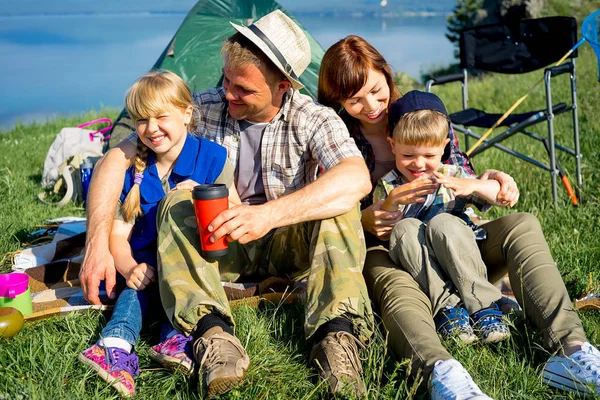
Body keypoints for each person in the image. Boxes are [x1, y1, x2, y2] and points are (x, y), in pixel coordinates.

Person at [80, 11, 374, 398]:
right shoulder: (203, 107)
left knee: (340, 202)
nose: (229, 94)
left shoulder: (312, 119)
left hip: (287, 245)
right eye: (226, 80)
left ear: (283, 86)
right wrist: (97, 244)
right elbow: (114, 159)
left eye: (244, 90)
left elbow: (357, 177)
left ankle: (336, 342)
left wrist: (269, 215)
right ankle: (213, 336)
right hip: (221, 245)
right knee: (180, 199)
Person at [319, 35, 600, 399]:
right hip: (391, 248)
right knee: (394, 280)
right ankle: (443, 374)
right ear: (337, 99)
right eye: (354, 100)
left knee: (522, 223)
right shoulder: (334, 134)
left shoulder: (422, 114)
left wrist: (489, 180)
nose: (371, 106)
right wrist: (367, 219)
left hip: (454, 239)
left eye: (377, 90)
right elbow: (329, 211)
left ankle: (571, 351)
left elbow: (460, 173)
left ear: (387, 77)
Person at [78, 70, 240, 397]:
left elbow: (234, 211)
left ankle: (173, 338)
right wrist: (127, 267)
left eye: (160, 117)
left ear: (186, 114)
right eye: (141, 120)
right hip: (146, 264)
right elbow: (118, 235)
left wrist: (205, 193)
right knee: (138, 290)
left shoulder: (211, 157)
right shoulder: (134, 169)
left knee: (178, 289)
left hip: (190, 262)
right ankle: (114, 344)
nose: (151, 128)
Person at [374, 90, 510, 345]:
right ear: (392, 146)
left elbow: (496, 195)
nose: (418, 164)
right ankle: (449, 310)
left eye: (429, 156)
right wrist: (393, 200)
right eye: (408, 155)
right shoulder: (389, 185)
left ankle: (483, 305)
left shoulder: (452, 174)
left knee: (444, 222)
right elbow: (381, 225)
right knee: (404, 229)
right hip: (424, 268)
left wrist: (475, 186)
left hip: (461, 259)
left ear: (444, 147)